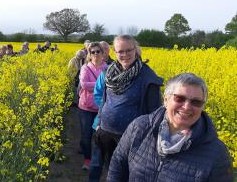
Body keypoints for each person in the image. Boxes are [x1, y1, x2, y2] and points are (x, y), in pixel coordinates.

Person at [107, 73, 233, 182]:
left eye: (196, 102)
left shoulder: (217, 153)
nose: (187, 107)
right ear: (166, 100)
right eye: (179, 98)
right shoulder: (139, 127)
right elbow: (118, 165)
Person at [93, 35, 163, 179]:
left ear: (136, 50)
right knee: (111, 170)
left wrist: (150, 139)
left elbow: (155, 112)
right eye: (120, 51)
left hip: (131, 137)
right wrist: (99, 123)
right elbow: (105, 101)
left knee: (128, 173)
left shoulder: (147, 77)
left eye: (128, 50)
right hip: (106, 132)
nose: (125, 55)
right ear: (114, 52)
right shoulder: (110, 73)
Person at [78, 42, 107, 170]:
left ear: (103, 54)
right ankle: (87, 159)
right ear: (89, 54)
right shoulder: (85, 68)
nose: (95, 54)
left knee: (99, 136)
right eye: (92, 52)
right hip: (86, 108)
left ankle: (96, 160)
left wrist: (93, 85)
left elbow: (111, 86)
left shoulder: (108, 68)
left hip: (101, 108)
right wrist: (101, 85)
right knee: (86, 136)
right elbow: (84, 84)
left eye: (98, 51)